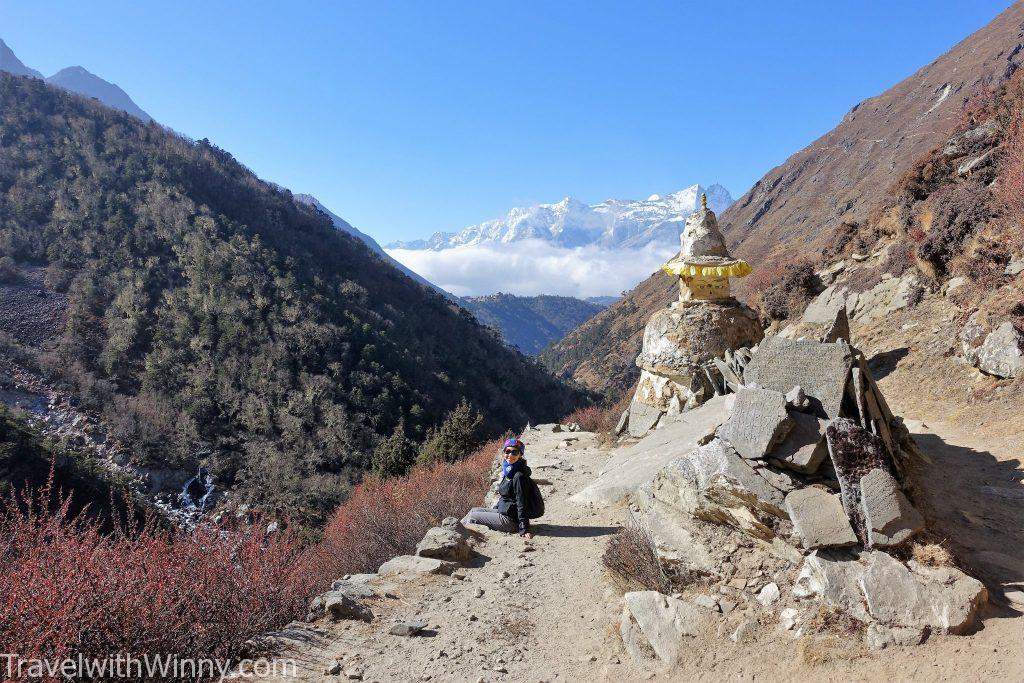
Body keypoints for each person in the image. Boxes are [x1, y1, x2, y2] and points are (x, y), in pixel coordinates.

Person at [461, 438, 535, 539]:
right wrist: (497, 508)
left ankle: (460, 539)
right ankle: (453, 530)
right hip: (505, 511)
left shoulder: (518, 476)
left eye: (515, 452)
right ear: (504, 452)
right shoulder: (510, 470)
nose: (510, 455)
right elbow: (507, 495)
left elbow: (522, 502)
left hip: (511, 520)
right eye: (507, 451)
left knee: (473, 517)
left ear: (520, 455)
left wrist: (524, 528)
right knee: (473, 510)